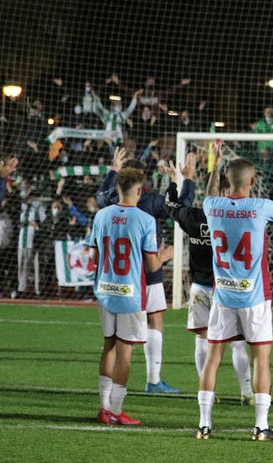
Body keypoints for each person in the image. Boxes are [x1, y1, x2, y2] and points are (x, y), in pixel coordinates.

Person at [194, 149, 273, 441]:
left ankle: (204, 425)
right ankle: (260, 427)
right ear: (253, 180)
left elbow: (209, 193)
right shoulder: (260, 207)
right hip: (254, 297)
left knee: (213, 357)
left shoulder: (211, 204)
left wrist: (214, 165)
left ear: (225, 180)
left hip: (223, 297)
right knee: (261, 359)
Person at [162, 143, 255, 405]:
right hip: (228, 288)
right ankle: (247, 392)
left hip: (200, 287)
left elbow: (170, 205)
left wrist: (178, 181)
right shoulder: (237, 218)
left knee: (203, 339)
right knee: (237, 342)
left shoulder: (194, 218)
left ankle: (207, 391)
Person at [96, 146, 194, 394]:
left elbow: (99, 197)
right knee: (151, 323)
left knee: (111, 342)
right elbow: (182, 207)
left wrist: (111, 171)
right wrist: (183, 180)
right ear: (142, 182)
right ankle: (151, 381)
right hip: (146, 275)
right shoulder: (150, 202)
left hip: (111, 279)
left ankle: (107, 401)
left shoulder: (107, 204)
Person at [86, 166, 173, 426]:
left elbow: (94, 258)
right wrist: (165, 256)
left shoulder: (101, 215)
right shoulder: (145, 220)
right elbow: (152, 265)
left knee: (108, 346)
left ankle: (103, 407)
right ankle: (115, 409)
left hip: (104, 291)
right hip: (130, 294)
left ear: (116, 189)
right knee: (125, 352)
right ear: (139, 190)